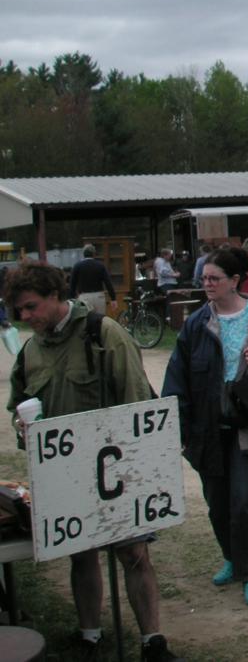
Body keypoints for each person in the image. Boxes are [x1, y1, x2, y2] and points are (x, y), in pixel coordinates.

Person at [5, 261, 182, 661]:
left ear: (55, 295)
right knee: (80, 553)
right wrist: (22, 425)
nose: (25, 316)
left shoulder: (103, 333)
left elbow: (138, 402)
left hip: (117, 470)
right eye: (19, 310)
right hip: (64, 474)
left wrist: (138, 471)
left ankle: (153, 641)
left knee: (133, 554)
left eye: (31, 306)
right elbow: (18, 405)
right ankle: (90, 636)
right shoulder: (31, 350)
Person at [162, 247, 248, 609]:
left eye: (214, 278)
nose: (207, 284)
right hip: (207, 429)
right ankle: (231, 558)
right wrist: (178, 427)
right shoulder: (196, 324)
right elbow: (177, 377)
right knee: (217, 503)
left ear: (235, 280)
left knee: (246, 502)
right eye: (204, 278)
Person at [69, 243, 118, 316]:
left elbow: (72, 285)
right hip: (99, 296)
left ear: (83, 254)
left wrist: (71, 299)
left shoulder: (77, 266)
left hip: (84, 297)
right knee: (100, 319)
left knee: (86, 319)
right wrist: (113, 298)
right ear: (94, 254)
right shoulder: (100, 265)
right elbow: (108, 283)